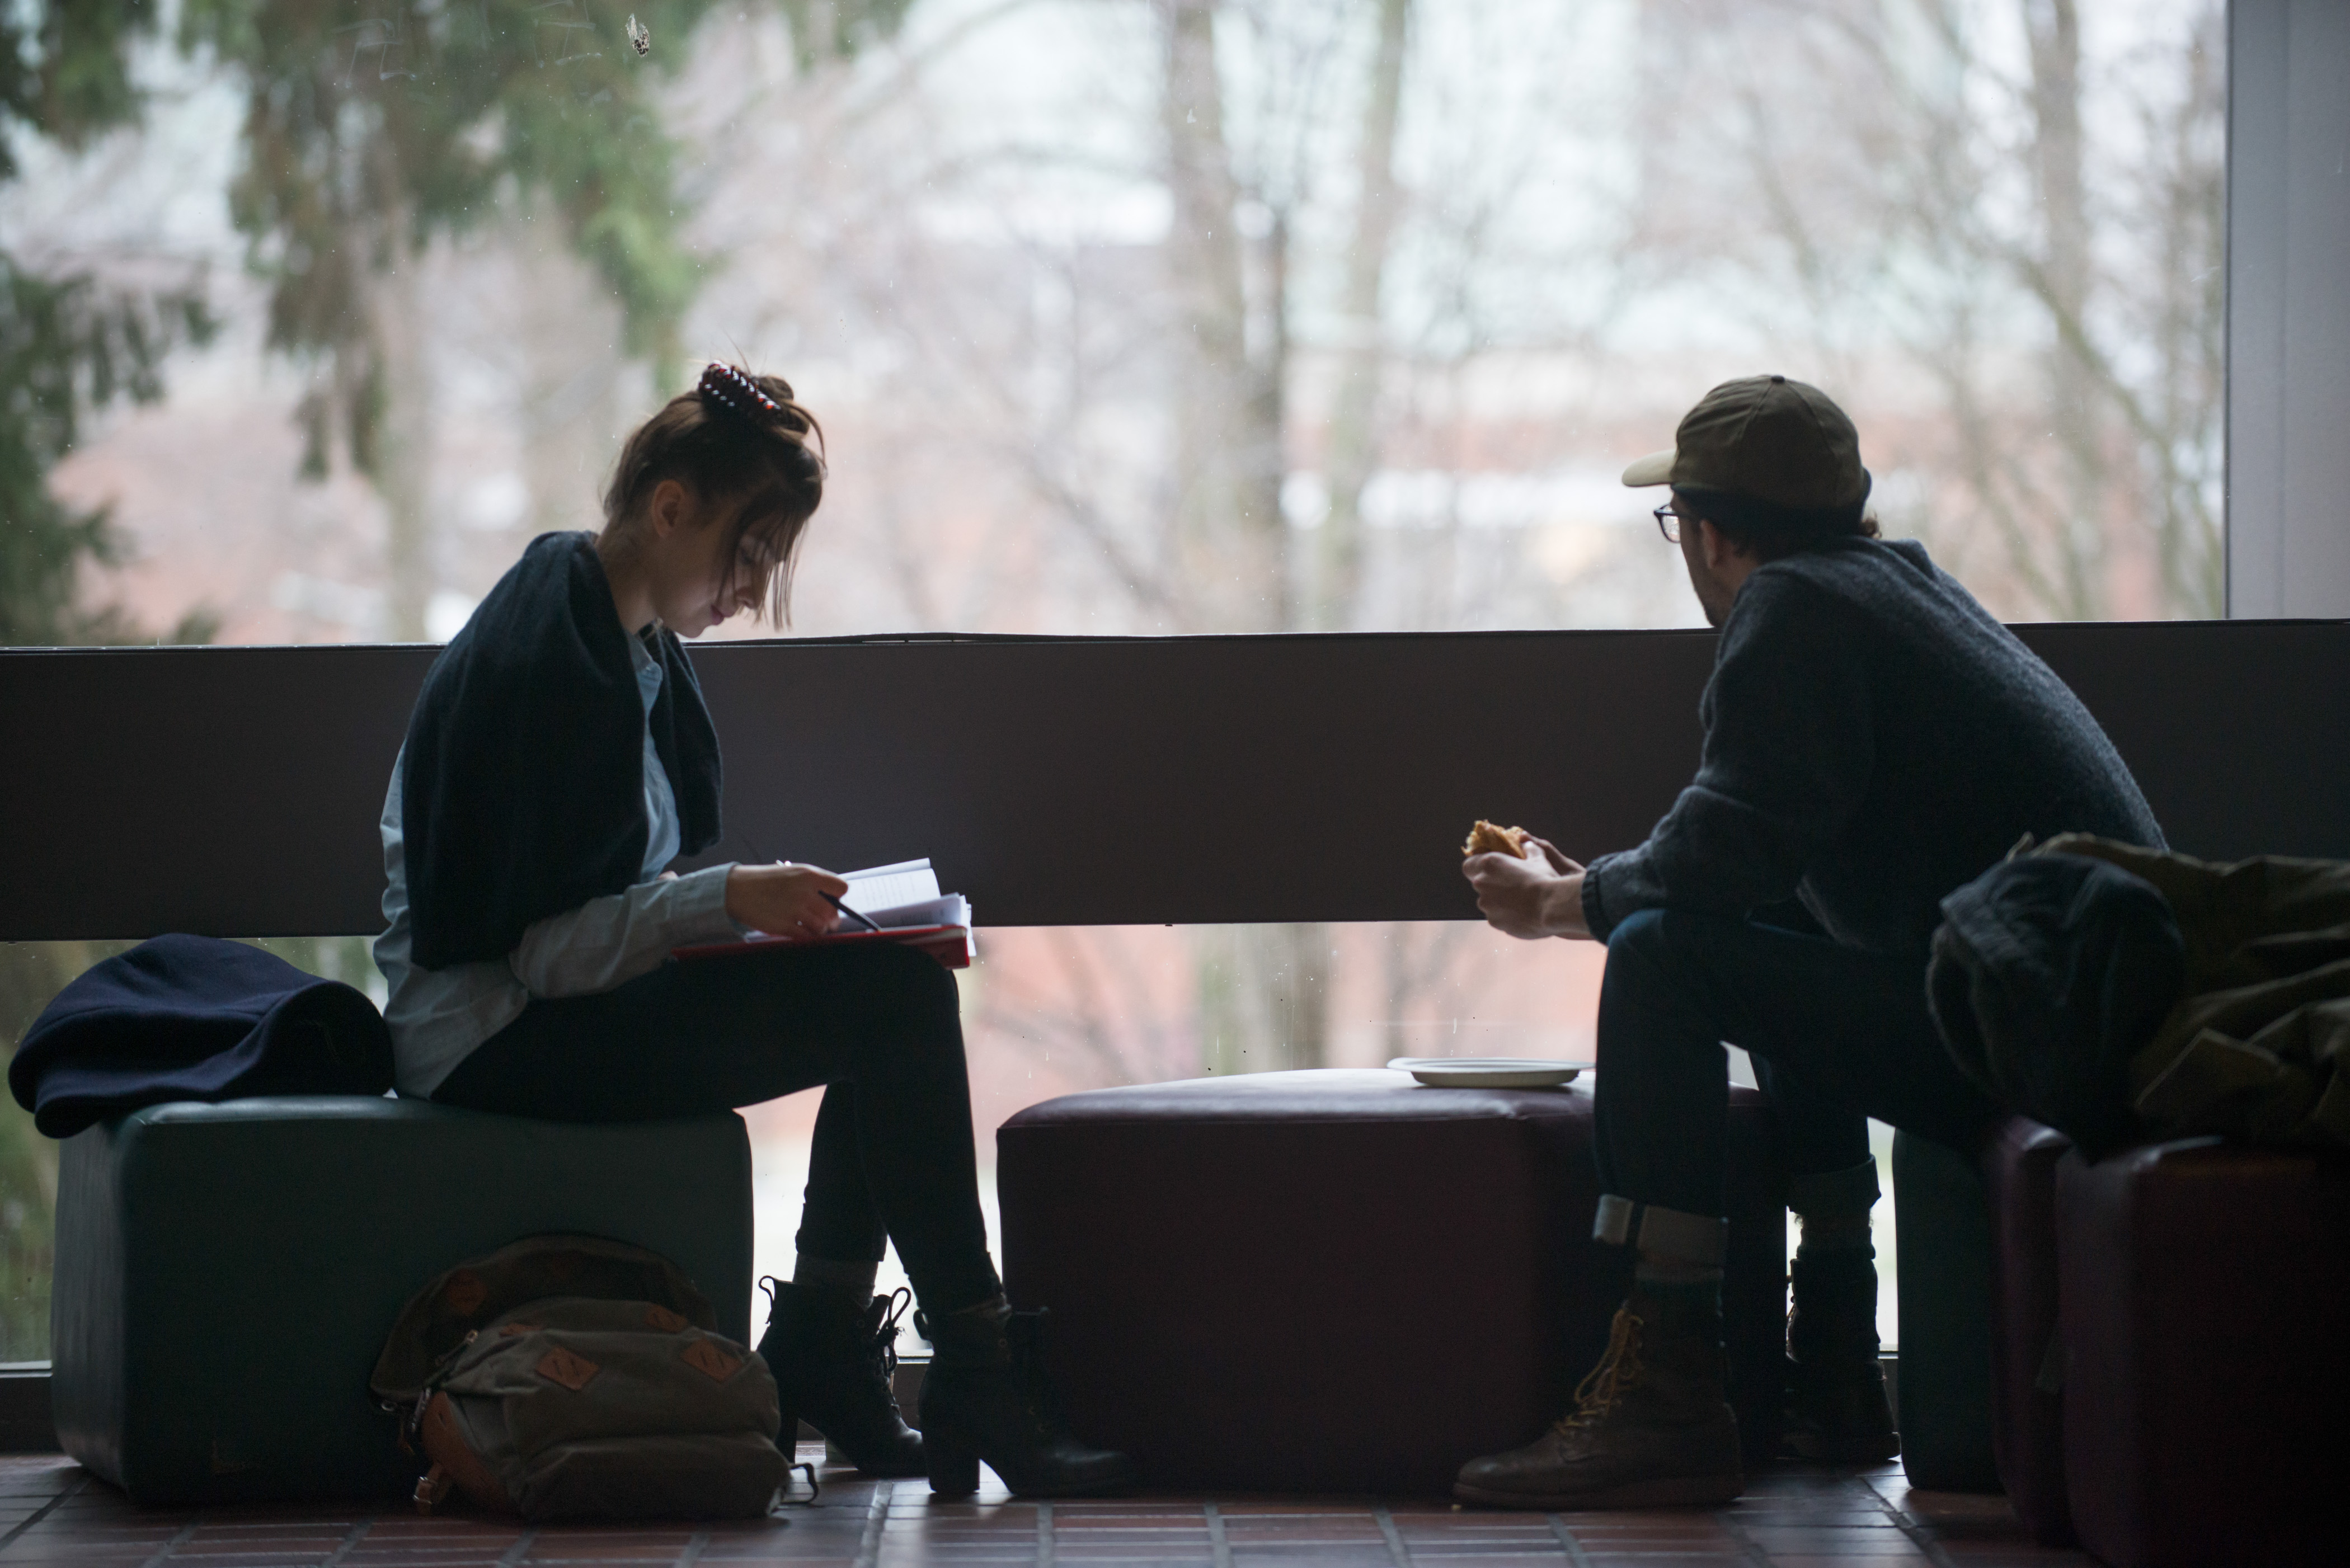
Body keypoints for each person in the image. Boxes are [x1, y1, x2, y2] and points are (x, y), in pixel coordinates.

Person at [373, 362, 1135, 1500]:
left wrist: (738, 917)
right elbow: (529, 947)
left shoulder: (619, 645)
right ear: (670, 505)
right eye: (749, 553)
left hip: (548, 1001)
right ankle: (958, 1363)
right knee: (895, 1004)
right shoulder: (546, 659)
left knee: (889, 987)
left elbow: (592, 905)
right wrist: (726, 901)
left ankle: (843, 1344)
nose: (750, 587)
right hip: (488, 1031)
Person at [1454, 375, 2163, 1509]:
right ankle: (1833, 1358)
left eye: (1677, 524)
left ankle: (1669, 1388)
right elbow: (1748, 853)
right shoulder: (1896, 586)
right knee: (1744, 917)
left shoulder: (1794, 610)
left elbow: (1718, 858)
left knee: (1660, 955)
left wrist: (1559, 906)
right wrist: (1608, 885)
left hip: (2035, 1037)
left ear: (1714, 531)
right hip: (2071, 1013)